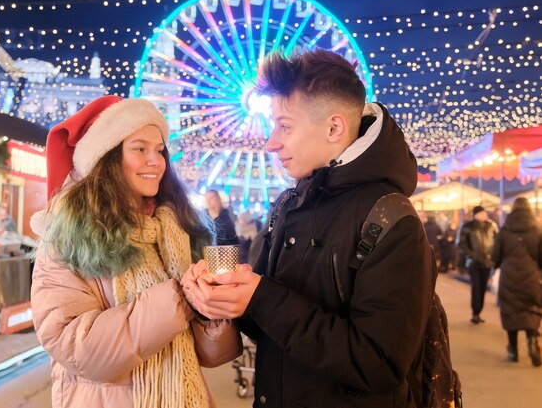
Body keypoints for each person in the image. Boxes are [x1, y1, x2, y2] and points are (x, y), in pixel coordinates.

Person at [182, 48, 437, 407]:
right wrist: (224, 297)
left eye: (285, 125)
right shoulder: (289, 204)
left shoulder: (392, 220)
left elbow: (380, 364)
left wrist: (261, 297)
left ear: (334, 127)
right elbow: (269, 324)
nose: (271, 142)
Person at [30, 96, 242, 408]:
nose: (156, 161)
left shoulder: (180, 230)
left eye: (159, 150)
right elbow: (77, 349)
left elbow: (214, 356)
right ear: (107, 158)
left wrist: (210, 311)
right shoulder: (69, 238)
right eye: (140, 149)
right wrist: (178, 299)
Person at [491, 197, 542, 366]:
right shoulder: (537, 230)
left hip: (509, 276)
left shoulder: (504, 231)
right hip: (531, 277)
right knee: (532, 308)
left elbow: (495, 256)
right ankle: (532, 340)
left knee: (510, 311)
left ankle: (513, 350)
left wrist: (497, 266)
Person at [458, 205, 497, 324]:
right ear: (475, 214)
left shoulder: (490, 226)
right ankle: (475, 313)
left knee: (483, 288)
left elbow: (496, 241)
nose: (484, 214)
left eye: (484, 212)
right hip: (473, 263)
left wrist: (493, 255)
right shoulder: (467, 227)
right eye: (482, 213)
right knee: (476, 287)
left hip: (487, 262)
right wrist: (471, 255)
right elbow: (462, 244)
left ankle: (479, 311)